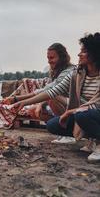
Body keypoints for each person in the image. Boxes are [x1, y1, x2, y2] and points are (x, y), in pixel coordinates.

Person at [12, 33, 100, 161]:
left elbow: (97, 105)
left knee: (82, 115)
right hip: (84, 112)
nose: (79, 54)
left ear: (95, 54)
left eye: (84, 51)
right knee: (54, 125)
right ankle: (93, 139)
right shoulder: (78, 73)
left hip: (93, 113)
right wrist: (24, 102)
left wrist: (71, 111)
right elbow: (52, 91)